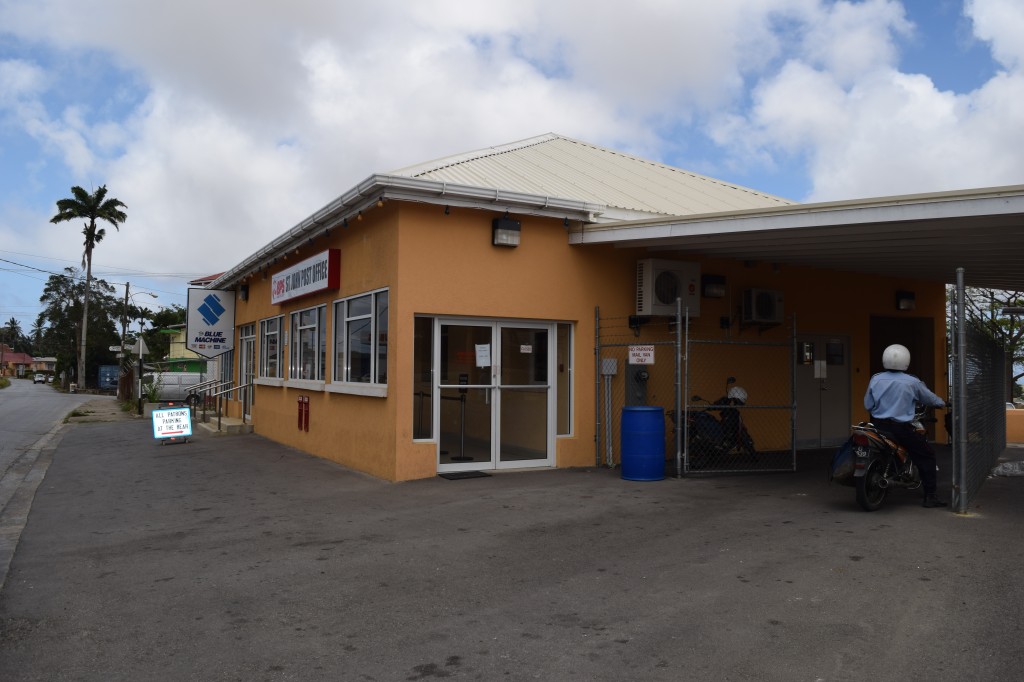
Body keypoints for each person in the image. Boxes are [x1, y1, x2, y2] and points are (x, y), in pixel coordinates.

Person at [864, 344, 948, 508]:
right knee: (927, 455)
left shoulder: (876, 379)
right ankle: (930, 496)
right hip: (900, 428)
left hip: (878, 426)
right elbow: (930, 399)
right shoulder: (912, 382)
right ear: (906, 361)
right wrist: (942, 403)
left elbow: (868, 404)